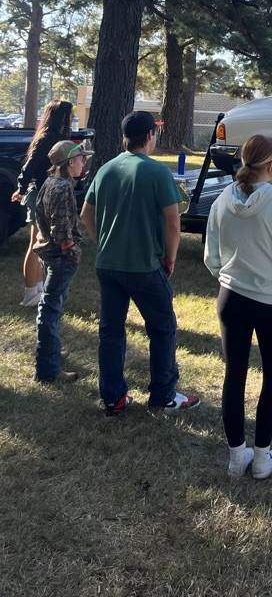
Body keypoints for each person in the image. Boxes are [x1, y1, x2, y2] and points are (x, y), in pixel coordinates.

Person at [80, 110, 200, 416]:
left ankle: (113, 398)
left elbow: (86, 214)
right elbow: (173, 222)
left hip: (108, 264)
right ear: (149, 136)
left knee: (111, 331)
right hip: (145, 266)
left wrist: (104, 241)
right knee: (162, 329)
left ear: (125, 137)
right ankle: (163, 396)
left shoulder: (105, 169)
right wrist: (170, 258)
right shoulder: (157, 172)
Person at [204, 135, 272, 479]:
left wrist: (229, 277)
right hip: (269, 300)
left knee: (235, 374)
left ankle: (236, 457)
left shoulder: (221, 200)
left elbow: (211, 256)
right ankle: (261, 457)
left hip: (231, 297)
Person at [33, 140, 93, 383]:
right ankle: (48, 369)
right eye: (80, 159)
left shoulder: (52, 183)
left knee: (54, 303)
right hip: (59, 255)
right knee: (50, 307)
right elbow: (60, 227)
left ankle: (52, 349)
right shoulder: (61, 187)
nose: (83, 162)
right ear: (69, 162)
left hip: (48, 252)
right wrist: (71, 250)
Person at [13, 99, 74, 307]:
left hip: (49, 194)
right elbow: (29, 166)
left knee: (43, 242)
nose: (73, 119)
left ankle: (39, 288)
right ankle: (30, 293)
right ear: (61, 117)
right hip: (39, 193)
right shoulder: (47, 138)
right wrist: (21, 189)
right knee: (35, 243)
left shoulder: (58, 137)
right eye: (70, 115)